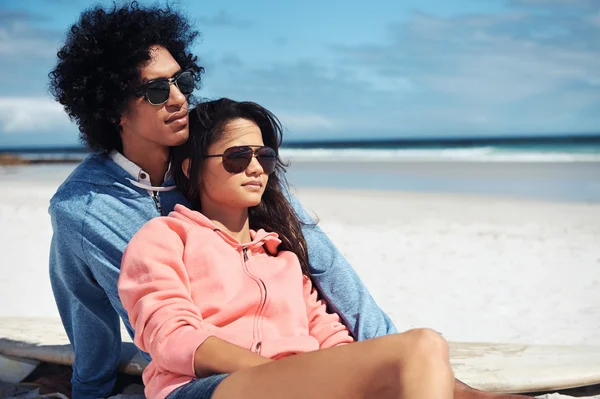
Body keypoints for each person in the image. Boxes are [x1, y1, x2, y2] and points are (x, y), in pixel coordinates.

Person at [47, 4, 394, 399]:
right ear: (113, 110)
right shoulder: (81, 208)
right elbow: (86, 307)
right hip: (190, 379)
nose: (179, 99)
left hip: (283, 370)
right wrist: (89, 390)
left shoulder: (227, 158)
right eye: (157, 90)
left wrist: (388, 357)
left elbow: (325, 269)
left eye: (183, 82)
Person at [119, 99, 535, 399]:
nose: (255, 167)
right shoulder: (165, 237)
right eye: (236, 156)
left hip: (295, 386)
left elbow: (330, 338)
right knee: (422, 344)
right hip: (206, 390)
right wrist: (288, 373)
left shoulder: (280, 258)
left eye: (263, 155)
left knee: (420, 352)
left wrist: (336, 372)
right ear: (191, 168)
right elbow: (171, 336)